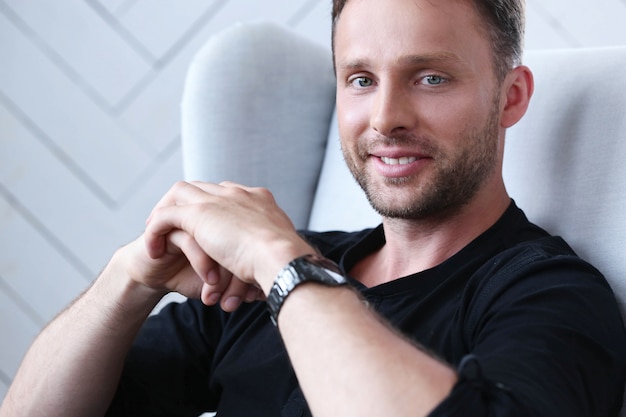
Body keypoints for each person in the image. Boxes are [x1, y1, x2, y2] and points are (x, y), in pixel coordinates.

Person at [2, 0, 625, 415]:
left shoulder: (549, 293)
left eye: (430, 77)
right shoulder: (264, 274)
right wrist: (129, 277)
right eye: (360, 79)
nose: (385, 118)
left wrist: (285, 264)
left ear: (511, 97)